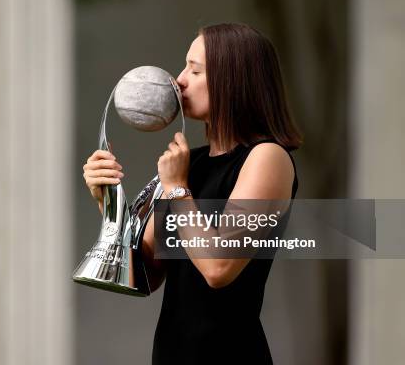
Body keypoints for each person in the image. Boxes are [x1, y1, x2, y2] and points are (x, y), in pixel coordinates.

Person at [82, 23, 302, 364]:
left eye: (195, 70)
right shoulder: (191, 163)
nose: (178, 80)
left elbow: (218, 267)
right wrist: (109, 201)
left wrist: (177, 189)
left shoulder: (266, 158)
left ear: (233, 80)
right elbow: (144, 276)